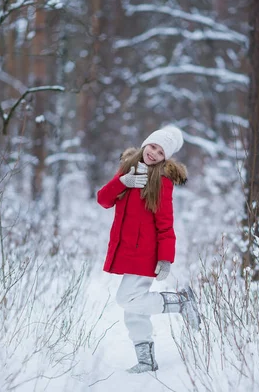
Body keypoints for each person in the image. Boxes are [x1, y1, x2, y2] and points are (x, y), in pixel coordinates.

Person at [97, 126, 201, 373]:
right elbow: (103, 200)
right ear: (146, 144)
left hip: (145, 254)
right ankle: (146, 361)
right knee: (134, 309)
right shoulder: (126, 170)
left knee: (127, 299)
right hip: (127, 251)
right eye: (153, 146)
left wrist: (165, 258)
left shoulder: (162, 182)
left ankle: (181, 302)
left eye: (161, 151)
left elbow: (165, 223)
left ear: (166, 157)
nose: (154, 153)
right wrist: (122, 182)